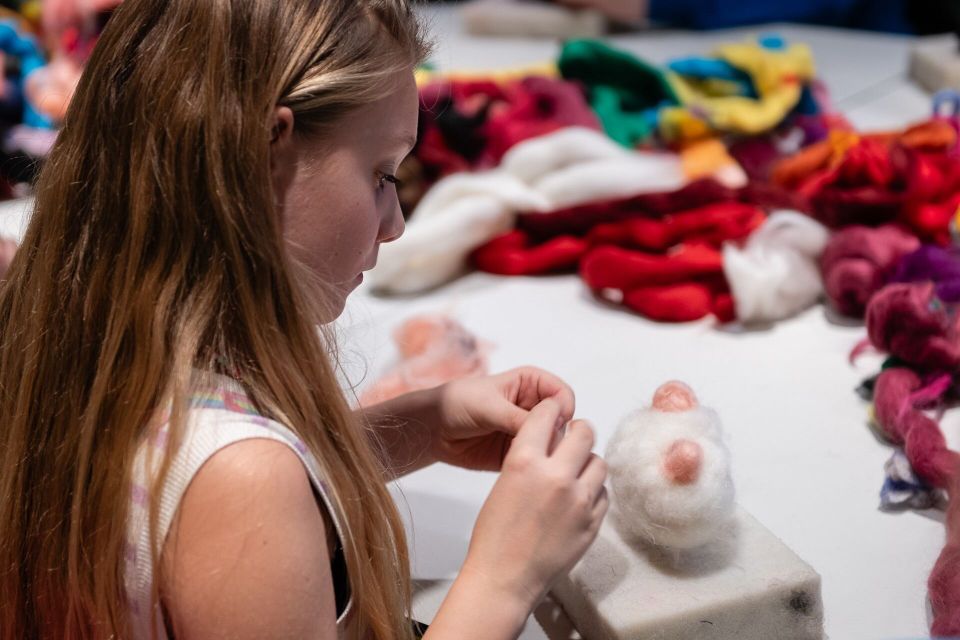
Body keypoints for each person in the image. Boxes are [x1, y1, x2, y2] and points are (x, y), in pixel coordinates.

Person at [0, 1, 608, 638]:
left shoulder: (81, 335)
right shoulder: (243, 480)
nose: (397, 224)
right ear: (267, 156)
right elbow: (231, 495)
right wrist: (506, 574)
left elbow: (187, 488)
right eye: (382, 174)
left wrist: (421, 427)